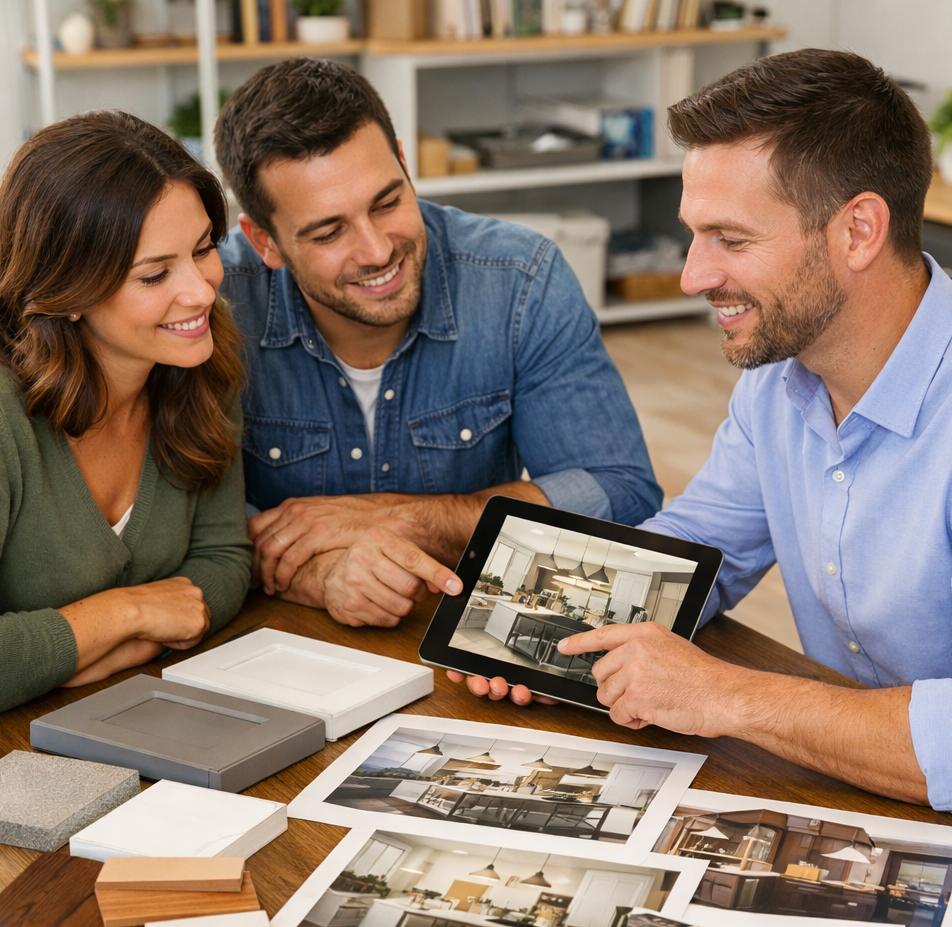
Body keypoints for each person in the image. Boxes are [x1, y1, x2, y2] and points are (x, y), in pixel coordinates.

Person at [455, 49, 952, 819]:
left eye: (731, 239)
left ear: (857, 231)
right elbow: (700, 547)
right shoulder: (779, 379)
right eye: (694, 235)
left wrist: (723, 695)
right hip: (861, 793)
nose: (692, 275)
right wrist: (553, 639)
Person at [214, 58, 662, 629]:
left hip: (468, 643)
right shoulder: (214, 303)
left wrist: (399, 520)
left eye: (387, 202)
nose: (377, 251)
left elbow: (619, 493)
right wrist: (319, 575)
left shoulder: (520, 278)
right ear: (265, 242)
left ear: (405, 165)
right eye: (329, 231)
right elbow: (179, 527)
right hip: (274, 639)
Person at [0, 111, 252, 714]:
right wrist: (124, 613)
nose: (201, 292)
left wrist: (106, 650)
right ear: (70, 291)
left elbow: (223, 558)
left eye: (204, 249)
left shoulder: (198, 357)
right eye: (155, 274)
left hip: (128, 717)